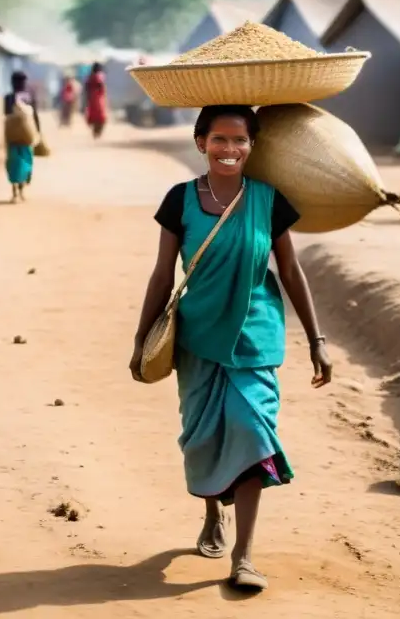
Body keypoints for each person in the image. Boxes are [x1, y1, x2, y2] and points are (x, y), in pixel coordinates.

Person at [129, 105, 333, 593]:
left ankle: (244, 555)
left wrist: (316, 340)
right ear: (201, 142)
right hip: (198, 337)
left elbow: (290, 271)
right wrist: (141, 339)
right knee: (202, 436)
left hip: (255, 337)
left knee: (251, 431)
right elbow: (163, 274)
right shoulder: (179, 200)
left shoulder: (268, 200)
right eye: (219, 139)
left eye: (239, 141)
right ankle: (211, 514)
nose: (229, 149)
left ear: (252, 147)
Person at [3, 71, 40, 203]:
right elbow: (34, 115)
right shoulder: (29, 97)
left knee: (13, 162)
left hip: (12, 135)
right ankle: (21, 188)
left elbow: (6, 114)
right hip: (27, 135)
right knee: (26, 160)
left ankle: (15, 191)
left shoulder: (9, 97)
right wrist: (38, 131)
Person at [84, 62, 108, 139]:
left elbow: (86, 87)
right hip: (98, 98)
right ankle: (97, 132)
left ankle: (96, 132)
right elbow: (101, 86)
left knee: (95, 116)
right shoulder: (99, 76)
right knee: (100, 116)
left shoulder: (90, 77)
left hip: (92, 98)